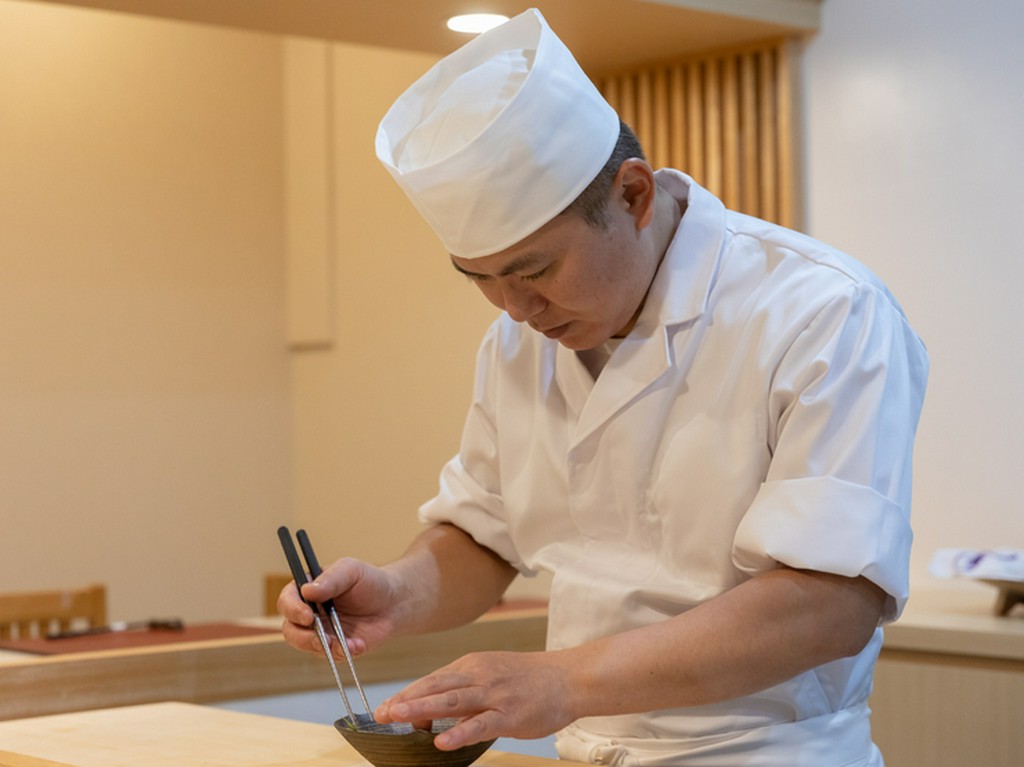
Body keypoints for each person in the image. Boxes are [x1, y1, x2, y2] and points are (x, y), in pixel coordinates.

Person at [279, 8, 929, 766]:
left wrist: (564, 680)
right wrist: (396, 592)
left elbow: (829, 605)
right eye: (479, 279)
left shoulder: (823, 311)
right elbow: (484, 534)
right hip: (584, 749)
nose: (515, 308)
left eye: (534, 270)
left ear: (634, 195)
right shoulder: (519, 340)